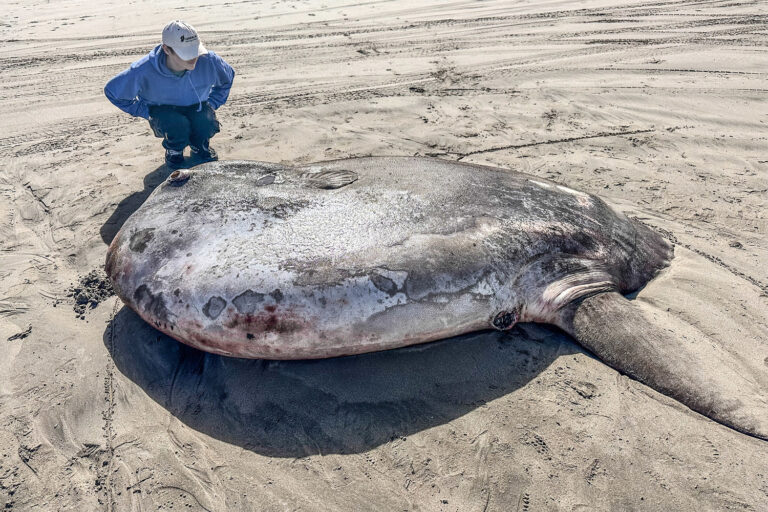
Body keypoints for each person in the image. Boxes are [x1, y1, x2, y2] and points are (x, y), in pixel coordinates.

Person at [104, 20, 235, 167]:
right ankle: (174, 151)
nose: (193, 57)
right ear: (166, 49)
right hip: (163, 112)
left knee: (205, 121)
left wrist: (213, 103)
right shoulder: (143, 70)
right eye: (186, 53)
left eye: (195, 50)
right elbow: (113, 92)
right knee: (176, 124)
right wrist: (146, 112)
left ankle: (200, 146)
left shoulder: (209, 61)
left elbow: (227, 78)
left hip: (197, 107)